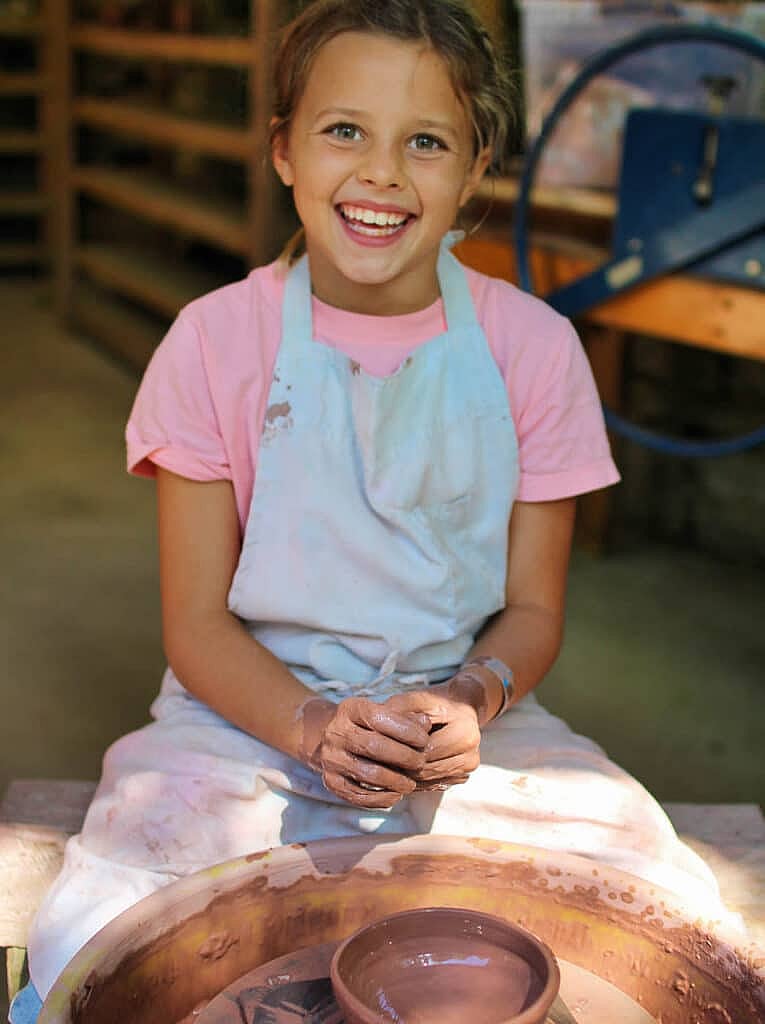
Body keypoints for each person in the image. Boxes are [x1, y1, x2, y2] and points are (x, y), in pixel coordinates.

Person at [13, 1, 736, 1020]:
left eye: (426, 142)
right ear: (284, 151)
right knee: (103, 934)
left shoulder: (534, 350)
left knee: (656, 900)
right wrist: (310, 726)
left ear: (474, 168)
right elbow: (197, 625)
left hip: (469, 727)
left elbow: (532, 611)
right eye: (344, 129)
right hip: (241, 719)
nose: (383, 173)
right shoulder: (212, 342)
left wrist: (474, 695)